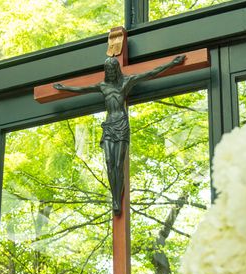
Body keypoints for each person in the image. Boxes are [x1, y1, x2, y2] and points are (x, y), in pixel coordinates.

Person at [54, 54, 186, 215]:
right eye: (107, 71)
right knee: (109, 162)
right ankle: (115, 199)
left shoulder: (126, 81)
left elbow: (152, 72)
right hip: (109, 125)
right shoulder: (103, 86)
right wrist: (64, 88)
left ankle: (117, 198)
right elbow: (82, 89)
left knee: (118, 163)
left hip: (122, 124)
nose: (110, 73)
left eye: (112, 70)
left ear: (116, 70)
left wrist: (172, 63)